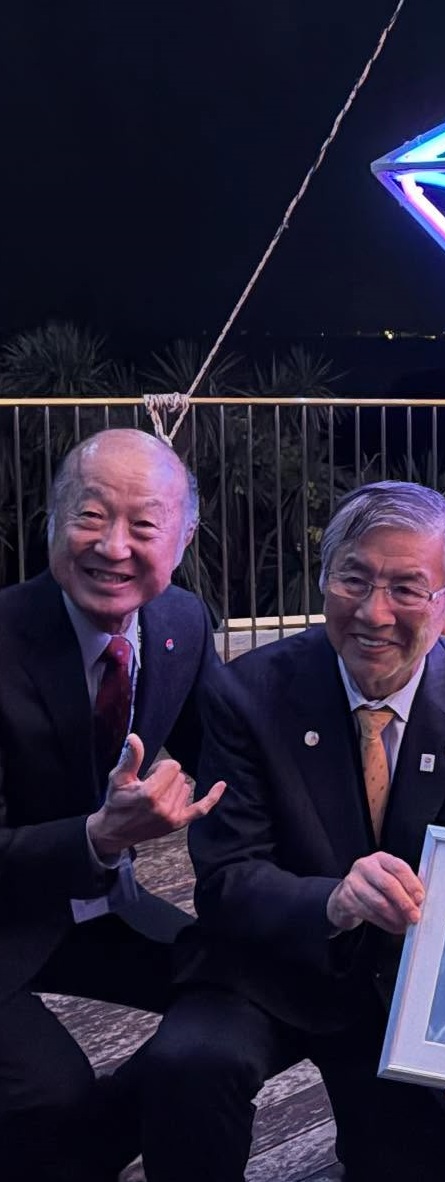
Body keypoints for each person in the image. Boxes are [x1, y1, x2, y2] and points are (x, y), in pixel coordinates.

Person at [138, 480, 445, 1182]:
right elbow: (227, 879)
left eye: (407, 589)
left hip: (405, 990)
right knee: (187, 1066)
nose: (373, 612)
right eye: (353, 579)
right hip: (267, 961)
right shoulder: (247, 693)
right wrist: (334, 900)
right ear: (325, 580)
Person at [0, 427, 224, 1180]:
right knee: (52, 1094)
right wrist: (96, 839)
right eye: (91, 516)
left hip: (90, 904)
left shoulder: (180, 623)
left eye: (144, 525)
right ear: (53, 522)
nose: (113, 546)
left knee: (240, 989)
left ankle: (80, 1154)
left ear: (183, 539)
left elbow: (230, 761)